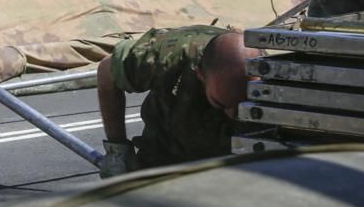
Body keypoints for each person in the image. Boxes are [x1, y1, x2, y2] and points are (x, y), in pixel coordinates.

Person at [96, 26, 260, 177]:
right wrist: (117, 150)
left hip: (235, 165)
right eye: (222, 104)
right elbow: (107, 71)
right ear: (200, 74)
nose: (232, 115)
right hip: (165, 152)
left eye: (244, 106)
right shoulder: (167, 55)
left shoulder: (274, 76)